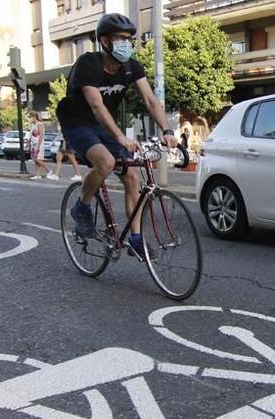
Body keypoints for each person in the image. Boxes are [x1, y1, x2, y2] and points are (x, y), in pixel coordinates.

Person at [56, 13, 178, 256]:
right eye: (120, 38)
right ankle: (82, 207)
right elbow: (96, 105)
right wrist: (121, 137)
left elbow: (151, 101)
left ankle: (135, 239)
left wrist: (167, 131)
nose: (126, 43)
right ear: (104, 41)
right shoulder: (88, 64)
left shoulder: (132, 67)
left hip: (103, 125)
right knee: (107, 162)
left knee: (132, 175)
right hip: (77, 123)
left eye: (129, 39)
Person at [27, 112, 52, 180]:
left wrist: (38, 145)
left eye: (30, 117)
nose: (29, 119)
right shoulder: (32, 125)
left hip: (38, 144)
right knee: (35, 160)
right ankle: (37, 174)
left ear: (34, 117)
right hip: (33, 144)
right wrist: (28, 143)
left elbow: (41, 135)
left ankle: (48, 170)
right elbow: (31, 135)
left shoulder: (39, 124)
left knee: (37, 158)